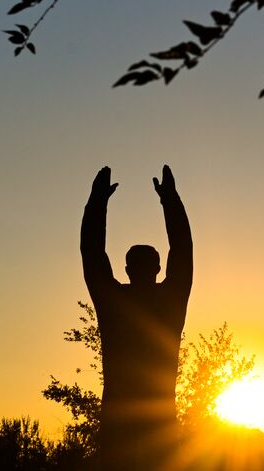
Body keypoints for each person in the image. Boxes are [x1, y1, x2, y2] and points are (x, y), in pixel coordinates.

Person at [81, 165, 193, 471]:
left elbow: (91, 252)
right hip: (158, 419)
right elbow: (183, 250)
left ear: (127, 269)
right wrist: (170, 201)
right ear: (158, 269)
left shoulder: (114, 301)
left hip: (120, 418)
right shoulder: (170, 300)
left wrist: (97, 202)